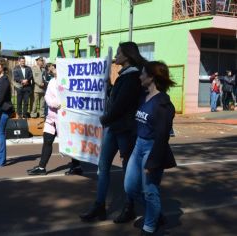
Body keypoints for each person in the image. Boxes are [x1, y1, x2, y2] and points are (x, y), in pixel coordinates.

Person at [80, 42, 146, 222]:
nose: (116, 56)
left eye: (118, 53)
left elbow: (121, 105)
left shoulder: (132, 77)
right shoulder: (123, 76)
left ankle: (129, 206)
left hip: (124, 129)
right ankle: (99, 206)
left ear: (127, 56)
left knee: (128, 170)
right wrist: (108, 86)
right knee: (103, 167)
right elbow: (116, 99)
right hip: (114, 128)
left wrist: (103, 119)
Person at [124, 61, 176, 235]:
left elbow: (162, 136)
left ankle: (149, 227)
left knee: (150, 192)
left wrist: (152, 162)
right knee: (130, 187)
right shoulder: (143, 96)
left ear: (152, 77)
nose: (140, 76)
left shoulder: (163, 105)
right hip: (139, 145)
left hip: (152, 148)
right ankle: (156, 213)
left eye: (143, 73)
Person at [27, 64, 83, 175]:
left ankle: (76, 165)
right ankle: (41, 167)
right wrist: (53, 103)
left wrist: (60, 104)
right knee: (47, 140)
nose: (53, 69)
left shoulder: (68, 81)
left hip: (64, 118)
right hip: (51, 117)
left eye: (55, 67)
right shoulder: (52, 81)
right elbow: (47, 96)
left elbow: (70, 97)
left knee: (69, 142)